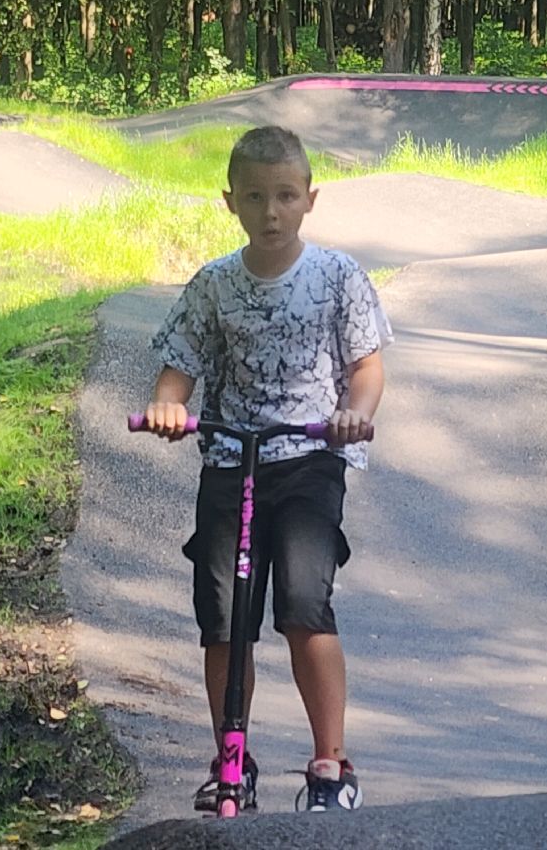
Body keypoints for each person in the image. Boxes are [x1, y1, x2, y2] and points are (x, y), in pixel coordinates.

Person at [142, 124, 392, 813]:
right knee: (224, 616)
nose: (272, 211)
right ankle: (232, 758)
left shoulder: (337, 276)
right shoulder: (214, 285)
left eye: (285, 196)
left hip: (309, 458)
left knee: (304, 605)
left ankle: (329, 764)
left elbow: (366, 367)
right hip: (231, 459)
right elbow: (176, 373)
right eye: (256, 197)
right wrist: (167, 408)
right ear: (231, 203)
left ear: (310, 199)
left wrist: (353, 412)